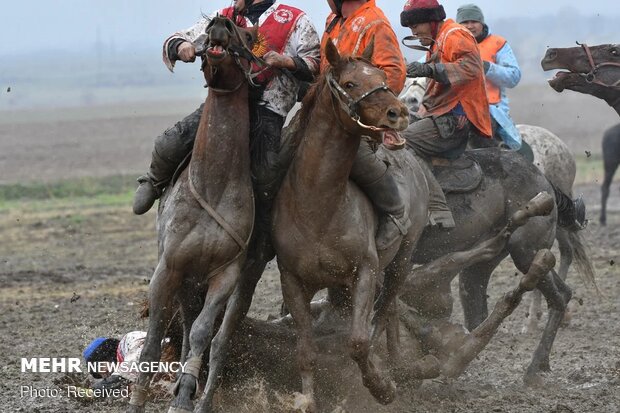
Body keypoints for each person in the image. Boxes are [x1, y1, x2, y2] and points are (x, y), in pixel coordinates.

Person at [132, 0, 321, 239]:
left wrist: (286, 61)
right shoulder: (224, 17)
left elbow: (316, 63)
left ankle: (263, 235)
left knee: (266, 173)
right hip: (222, 105)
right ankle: (154, 181)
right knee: (172, 140)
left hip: (269, 107)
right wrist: (182, 47)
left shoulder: (296, 20)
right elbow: (181, 37)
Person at [321, 0, 412, 249]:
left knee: (358, 158)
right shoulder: (334, 21)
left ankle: (395, 214)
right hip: (324, 116)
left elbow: (393, 73)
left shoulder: (375, 22)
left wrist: (366, 110)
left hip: (356, 118)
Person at [400, 0, 493, 228]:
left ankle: (436, 206)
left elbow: (471, 69)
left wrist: (429, 69)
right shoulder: (438, 40)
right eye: (409, 28)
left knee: (403, 142)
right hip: (442, 114)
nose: (413, 32)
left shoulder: (454, 35)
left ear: (432, 21)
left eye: (416, 26)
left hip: (455, 118)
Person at [456, 3, 522, 150]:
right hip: (456, 107)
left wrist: (487, 68)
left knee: (481, 138)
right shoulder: (450, 44)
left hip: (490, 108)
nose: (470, 26)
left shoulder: (498, 44)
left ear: (482, 23)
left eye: (474, 21)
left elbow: (514, 77)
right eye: (465, 22)